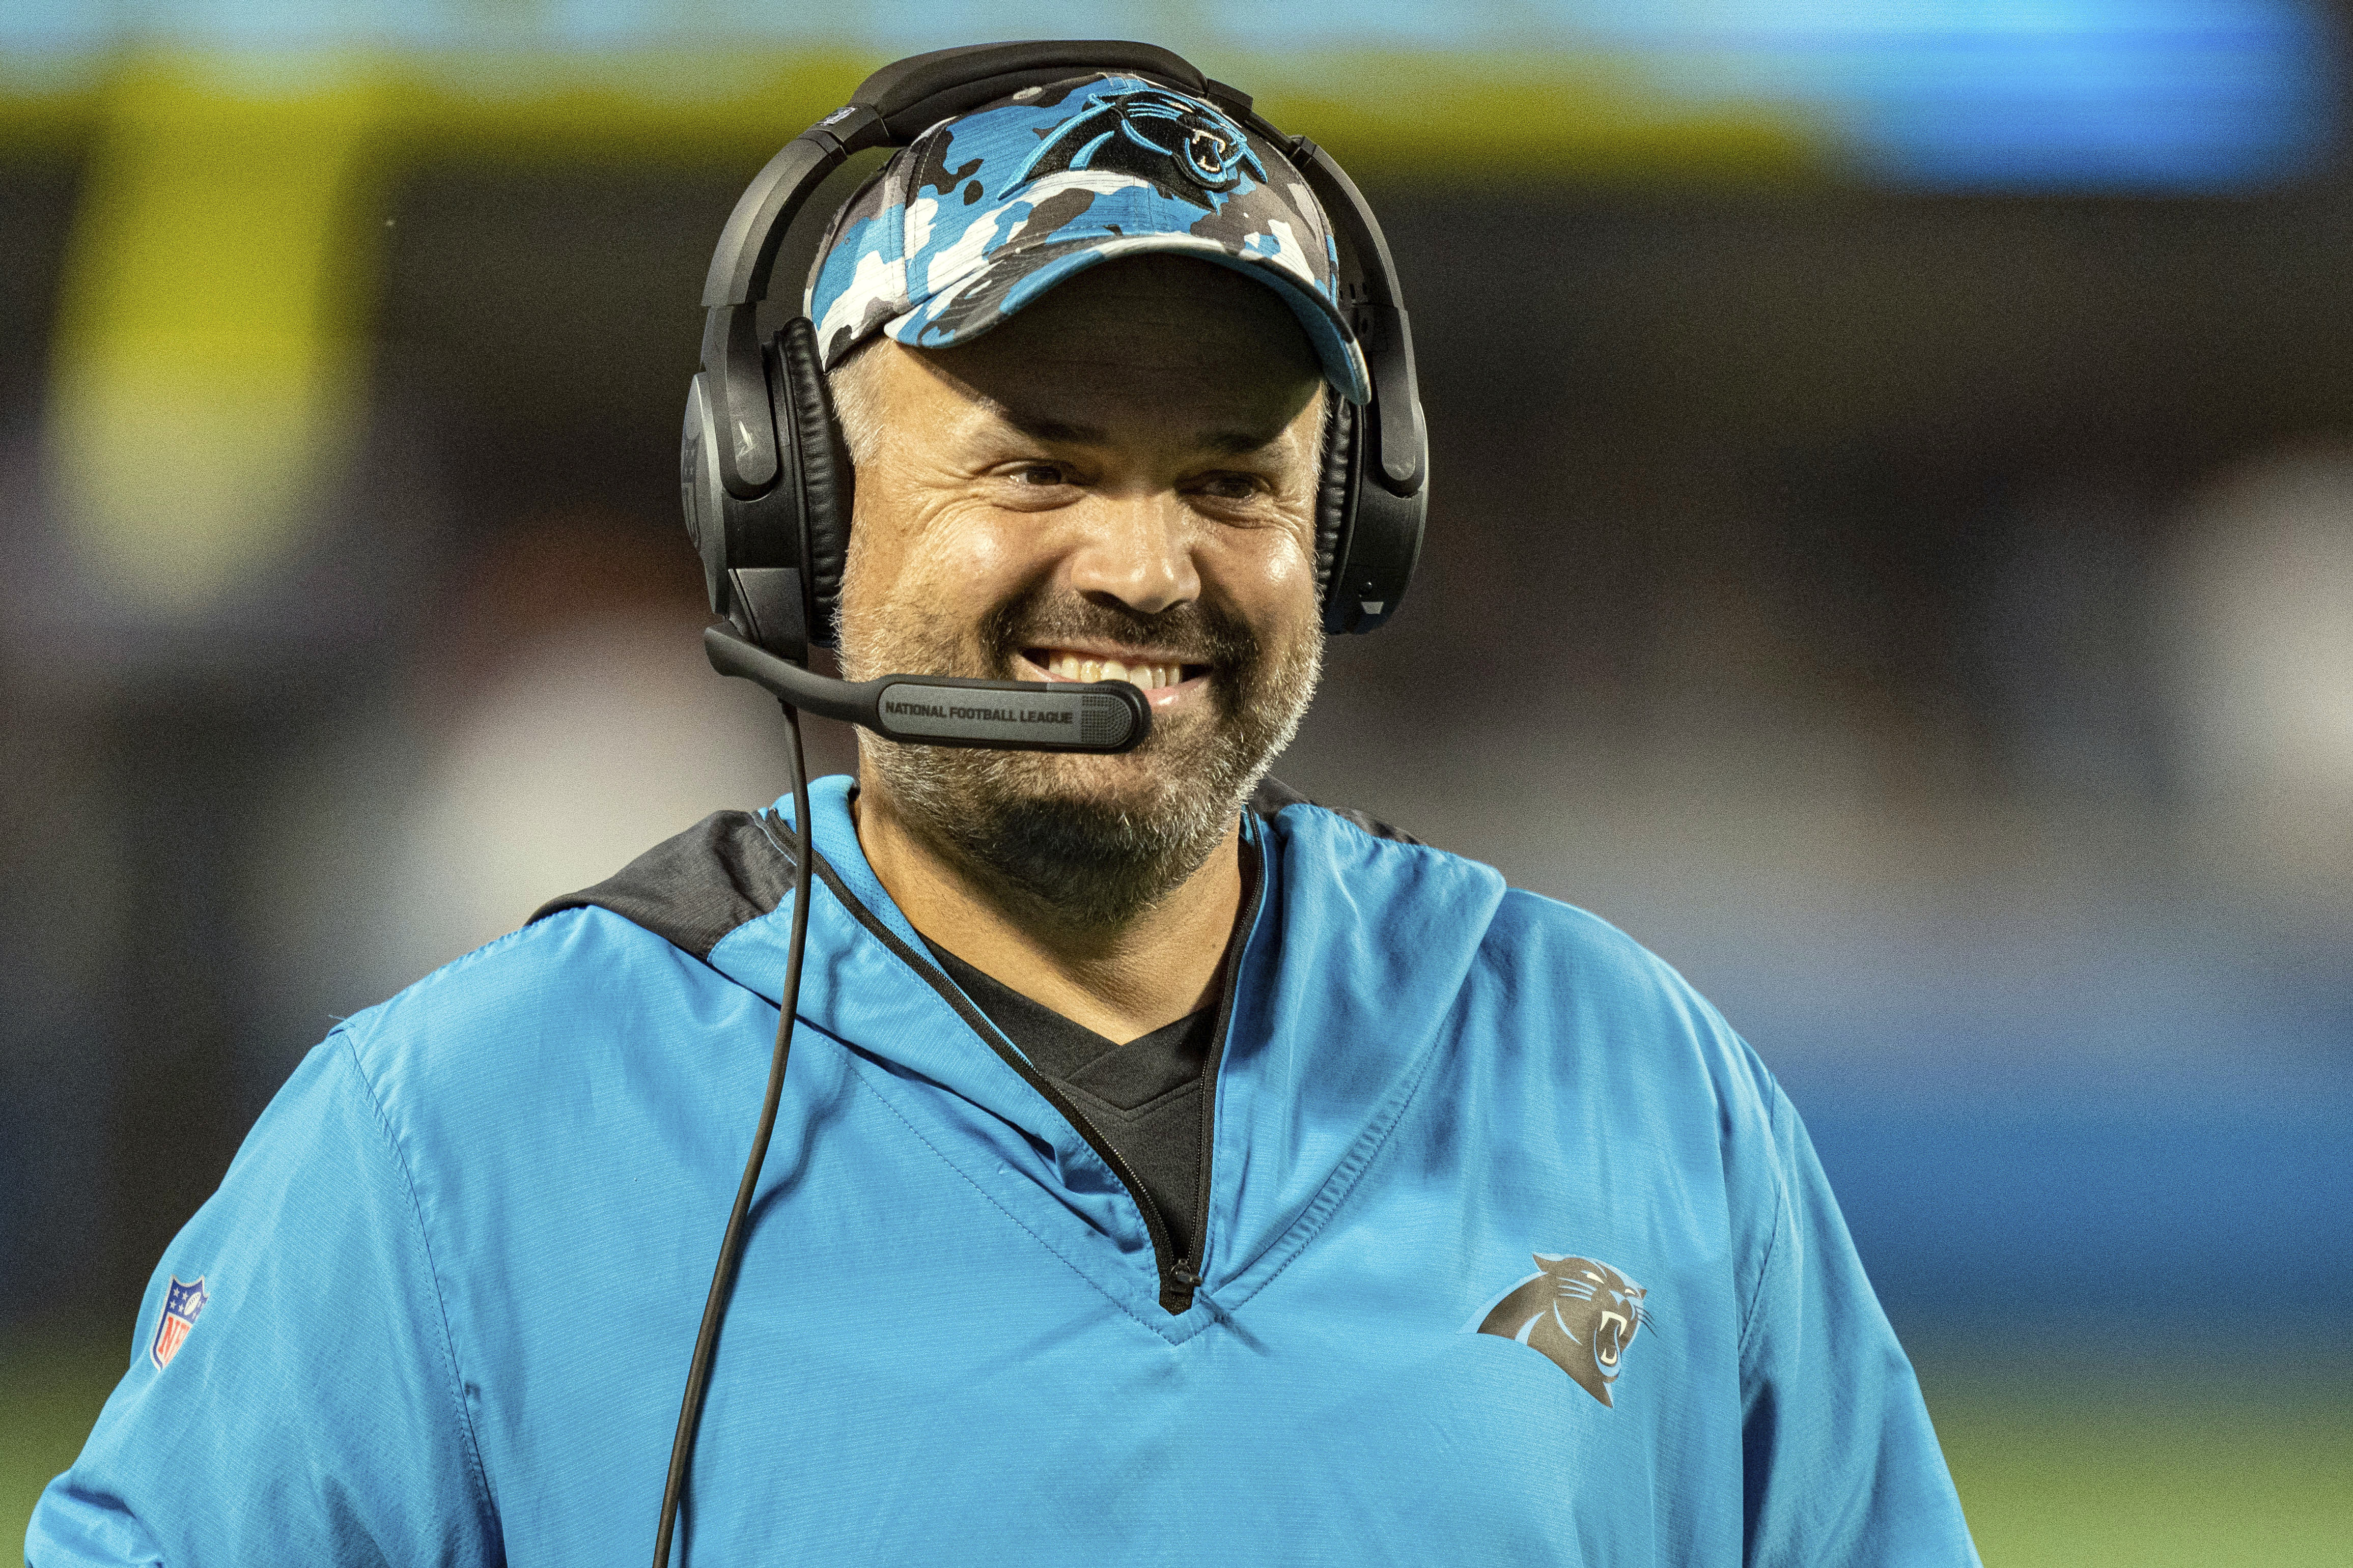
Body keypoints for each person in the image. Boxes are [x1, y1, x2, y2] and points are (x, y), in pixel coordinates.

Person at [28, 62, 1980, 1567]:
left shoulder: (1626, 1074)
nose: (1146, 565)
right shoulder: (459, 1133)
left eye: (1233, 474)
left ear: (1351, 524)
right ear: (793, 512)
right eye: (1038, 464)